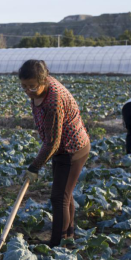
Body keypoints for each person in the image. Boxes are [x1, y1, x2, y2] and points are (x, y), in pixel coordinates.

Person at [18, 60, 90, 248]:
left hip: (72, 149)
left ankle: (56, 246)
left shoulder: (54, 101)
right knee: (66, 194)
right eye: (24, 86)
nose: (28, 91)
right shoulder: (39, 89)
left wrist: (34, 167)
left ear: (43, 80)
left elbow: (53, 142)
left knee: (59, 198)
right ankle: (68, 237)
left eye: (32, 87)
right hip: (61, 149)